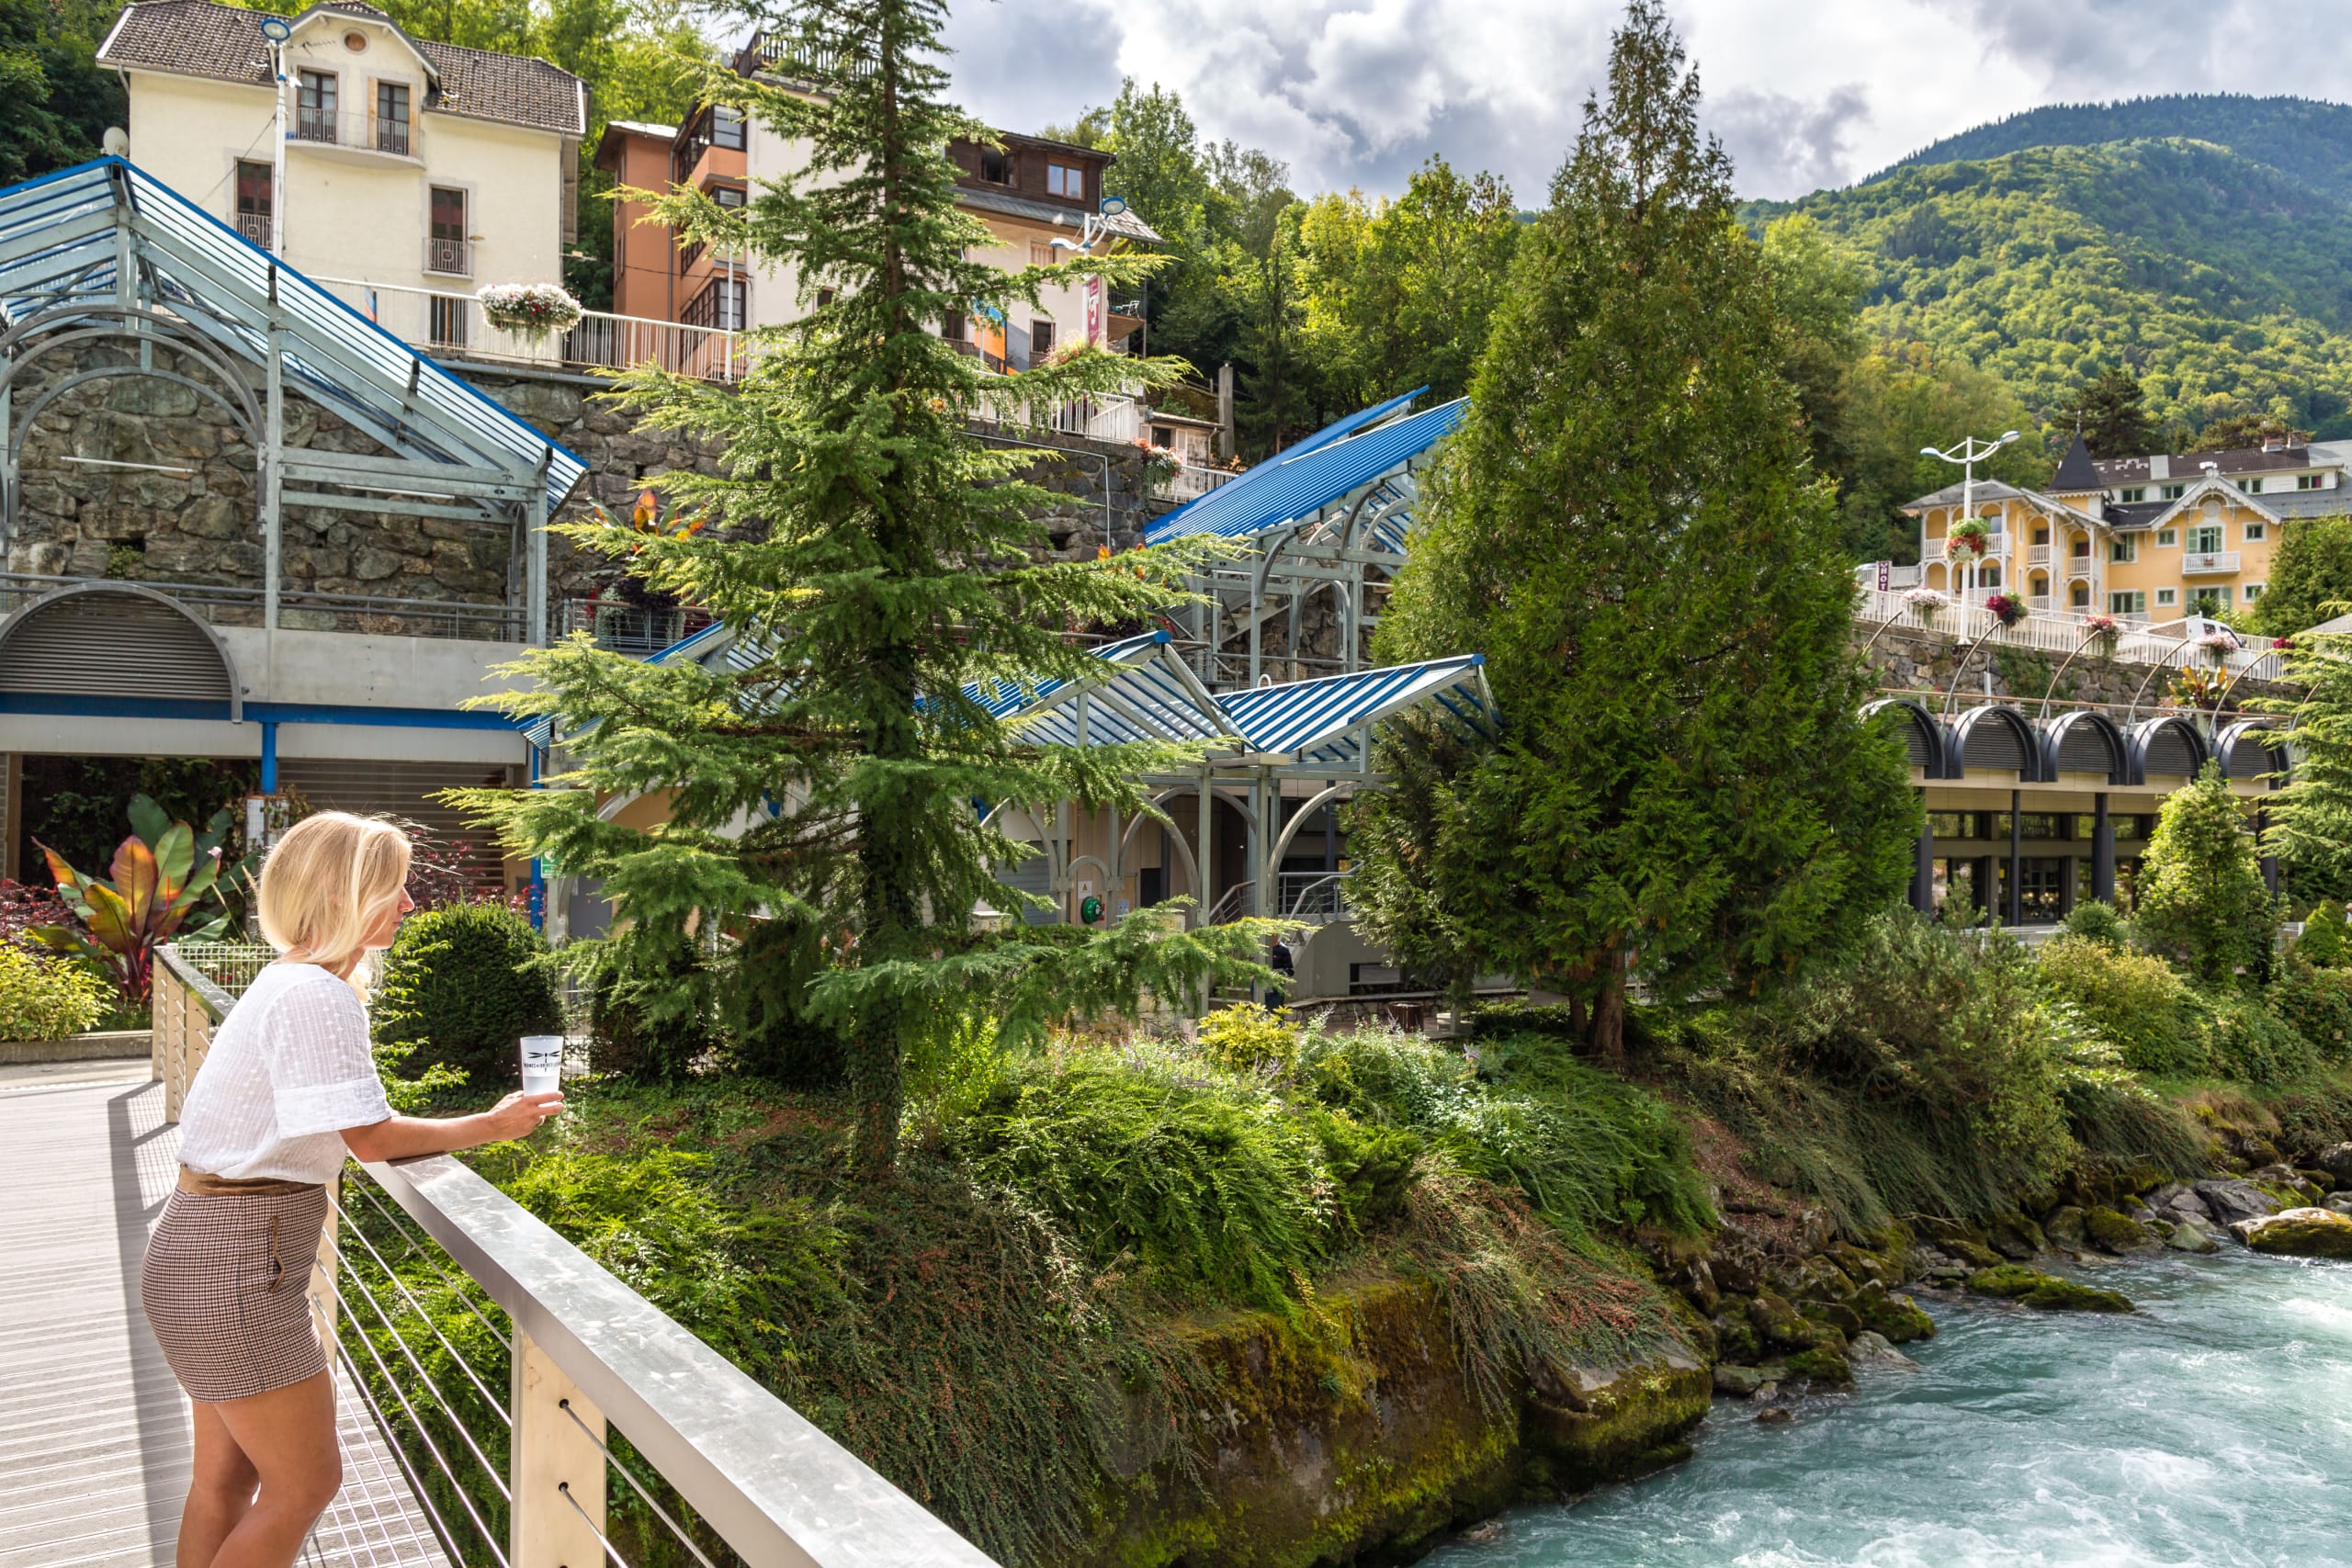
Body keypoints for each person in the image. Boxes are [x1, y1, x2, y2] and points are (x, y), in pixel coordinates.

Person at [141, 812, 563, 1568]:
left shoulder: (287, 981)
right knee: (308, 1482)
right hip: (239, 1268)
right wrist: (492, 1126)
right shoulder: (315, 994)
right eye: (395, 888)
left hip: (198, 1254)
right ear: (346, 893)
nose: (408, 905)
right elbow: (371, 1137)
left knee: (223, 1479)